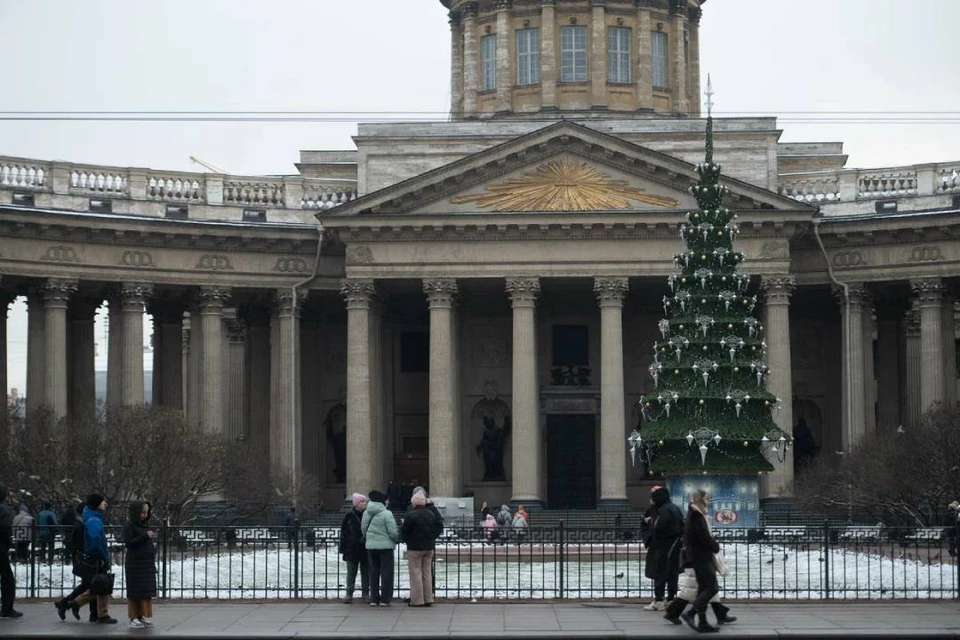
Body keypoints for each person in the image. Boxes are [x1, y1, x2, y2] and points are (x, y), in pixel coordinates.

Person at [68, 494, 117, 624]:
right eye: (103, 502)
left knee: (100, 585)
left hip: (96, 557)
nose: (105, 504)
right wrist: (101, 555)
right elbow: (95, 540)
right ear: (97, 505)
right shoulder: (94, 520)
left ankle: (77, 604)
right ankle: (101, 614)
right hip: (97, 557)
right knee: (103, 585)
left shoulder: (91, 517)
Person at [678, 490, 720, 633]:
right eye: (706, 498)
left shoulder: (693, 514)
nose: (707, 501)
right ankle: (690, 613)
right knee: (712, 587)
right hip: (701, 556)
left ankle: (702, 622)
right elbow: (703, 536)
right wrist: (715, 546)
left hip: (697, 556)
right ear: (699, 500)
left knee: (702, 589)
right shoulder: (697, 515)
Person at [56, 503, 97, 622]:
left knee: (87, 585)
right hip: (85, 560)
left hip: (82, 559)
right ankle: (75, 606)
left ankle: (65, 604)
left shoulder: (80, 524)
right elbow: (79, 544)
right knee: (93, 585)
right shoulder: (81, 525)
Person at [401, 488, 442, 607]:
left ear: (414, 502)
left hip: (414, 547)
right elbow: (438, 527)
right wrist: (432, 537)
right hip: (428, 547)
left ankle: (417, 600)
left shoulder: (411, 515)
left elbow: (404, 531)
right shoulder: (431, 513)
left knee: (415, 573)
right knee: (427, 573)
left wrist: (407, 539)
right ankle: (428, 598)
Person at [645, 486, 683, 611]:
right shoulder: (674, 508)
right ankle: (671, 598)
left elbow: (661, 527)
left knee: (660, 572)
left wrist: (651, 523)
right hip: (674, 545)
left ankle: (659, 600)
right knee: (672, 573)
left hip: (664, 546)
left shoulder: (664, 510)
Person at [120, 501, 157, 629]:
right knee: (135, 592)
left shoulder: (144, 524)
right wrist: (145, 537)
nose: (145, 515)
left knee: (143, 591)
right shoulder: (129, 525)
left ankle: (140, 616)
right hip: (135, 564)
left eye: (147, 512)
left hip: (145, 564)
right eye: (142, 512)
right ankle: (133, 617)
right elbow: (129, 543)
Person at [361, 490, 399, 606]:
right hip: (386, 547)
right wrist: (396, 539)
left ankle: (373, 598)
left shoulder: (367, 513)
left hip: (371, 547)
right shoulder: (387, 514)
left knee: (373, 572)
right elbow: (393, 531)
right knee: (386, 573)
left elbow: (363, 529)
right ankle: (385, 599)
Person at [339, 493, 369, 603]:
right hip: (352, 549)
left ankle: (365, 593)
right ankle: (349, 593)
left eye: (365, 501)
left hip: (365, 548)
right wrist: (343, 550)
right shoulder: (349, 516)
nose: (364, 503)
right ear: (356, 504)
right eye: (362, 501)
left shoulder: (367, 514)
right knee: (351, 572)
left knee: (366, 573)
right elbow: (344, 533)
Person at [0, 485, 21, 619]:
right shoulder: (3, 510)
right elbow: (5, 528)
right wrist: (7, 543)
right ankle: (7, 608)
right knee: (7, 579)